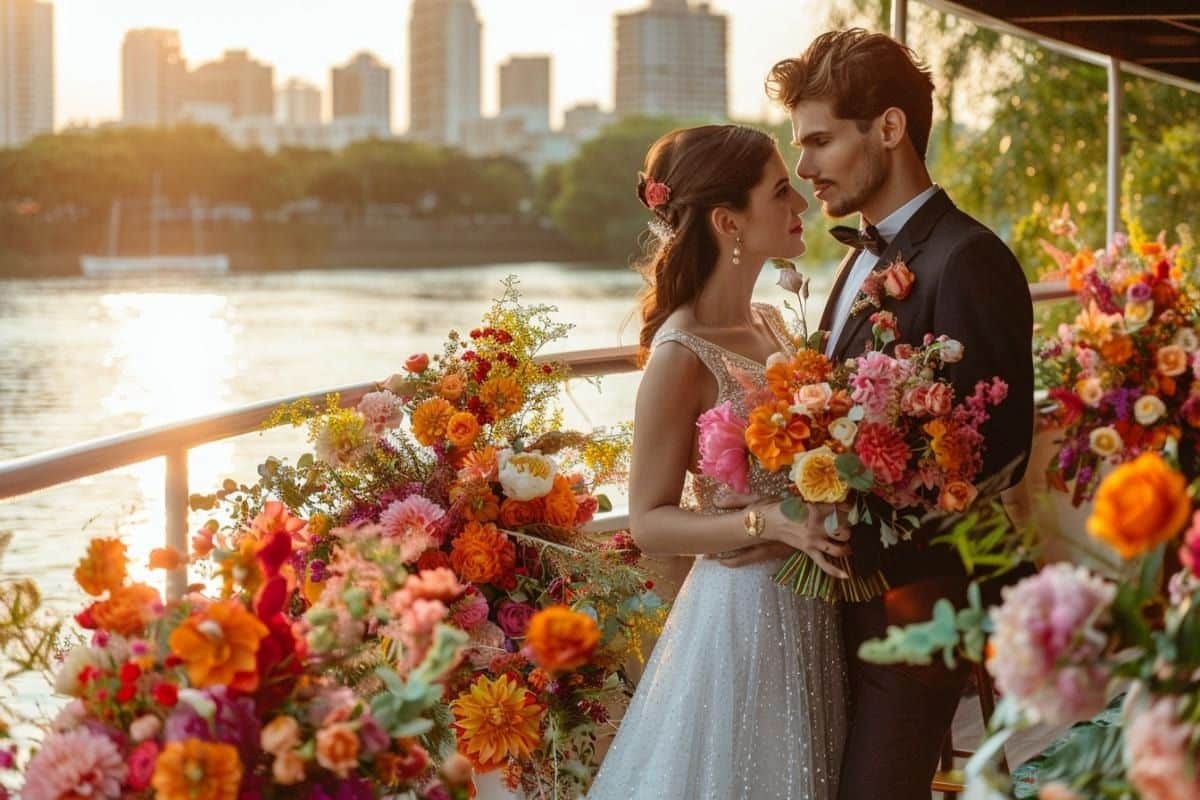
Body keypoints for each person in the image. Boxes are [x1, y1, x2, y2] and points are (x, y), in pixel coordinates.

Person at [765, 29, 1035, 800]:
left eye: (819, 141)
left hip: (912, 611)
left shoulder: (967, 259)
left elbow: (996, 455)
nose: (804, 167)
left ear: (888, 128)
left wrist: (861, 511)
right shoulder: (857, 256)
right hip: (838, 607)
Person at [586, 124, 850, 799]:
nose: (802, 206)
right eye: (781, 192)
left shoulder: (770, 322)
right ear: (729, 221)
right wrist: (768, 522)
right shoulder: (681, 354)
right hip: (743, 616)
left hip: (811, 609)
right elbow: (649, 521)